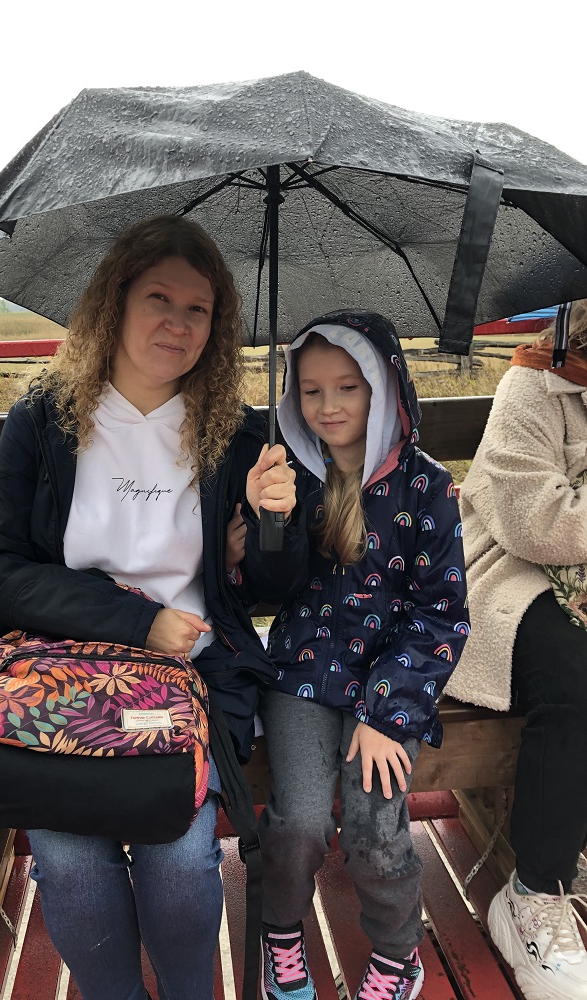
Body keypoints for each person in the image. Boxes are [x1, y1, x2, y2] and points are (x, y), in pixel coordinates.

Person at [0, 214, 297, 1000]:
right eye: (159, 298)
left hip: (193, 679)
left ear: (217, 328)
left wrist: (274, 529)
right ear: (115, 302)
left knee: (179, 853)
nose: (177, 324)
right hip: (59, 676)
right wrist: (138, 621)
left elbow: (272, 591)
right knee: (70, 858)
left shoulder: (235, 438)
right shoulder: (43, 421)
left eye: (199, 309)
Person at [241, 311, 469, 1000]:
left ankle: (398, 955)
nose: (329, 406)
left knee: (375, 826)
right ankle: (282, 935)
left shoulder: (427, 488)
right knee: (300, 822)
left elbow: (441, 612)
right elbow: (262, 591)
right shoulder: (293, 477)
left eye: (348, 387)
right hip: (301, 676)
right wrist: (268, 526)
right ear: (292, 399)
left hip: (387, 686)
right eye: (311, 391)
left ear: (385, 388)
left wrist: (389, 711)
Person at [445, 300, 587, 1000]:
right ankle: (535, 889)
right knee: (576, 677)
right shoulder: (533, 385)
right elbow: (541, 526)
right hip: (510, 576)